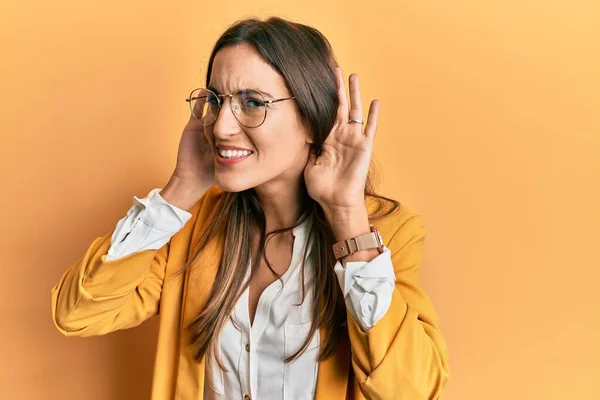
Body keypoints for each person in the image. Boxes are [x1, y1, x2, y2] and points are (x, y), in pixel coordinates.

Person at [51, 16, 450, 400]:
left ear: (313, 118)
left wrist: (347, 216)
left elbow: (410, 391)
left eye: (253, 102)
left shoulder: (385, 234)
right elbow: (78, 314)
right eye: (216, 100)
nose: (222, 126)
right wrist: (181, 187)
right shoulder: (190, 229)